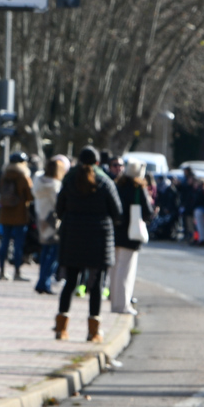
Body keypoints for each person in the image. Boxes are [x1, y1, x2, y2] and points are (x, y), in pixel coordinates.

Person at [54, 146, 121, 342]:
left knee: (70, 282)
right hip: (99, 238)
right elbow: (117, 211)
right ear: (97, 162)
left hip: (73, 236)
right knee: (97, 284)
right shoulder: (105, 182)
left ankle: (61, 328)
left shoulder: (69, 180)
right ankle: (93, 331)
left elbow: (59, 209)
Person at [111, 160, 155, 315]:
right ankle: (123, 305)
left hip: (116, 232)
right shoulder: (138, 189)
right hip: (131, 234)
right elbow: (148, 212)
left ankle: (114, 303)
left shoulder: (117, 186)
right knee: (126, 271)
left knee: (115, 270)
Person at [34, 155, 69, 294]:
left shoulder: (38, 181)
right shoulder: (55, 186)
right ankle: (45, 282)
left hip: (40, 218)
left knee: (44, 253)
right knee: (53, 254)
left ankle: (41, 281)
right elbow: (58, 204)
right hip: (52, 221)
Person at [0, 152, 33, 281]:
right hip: (19, 215)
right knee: (18, 245)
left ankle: (1, 271)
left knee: (4, 243)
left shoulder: (4, 175)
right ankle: (17, 272)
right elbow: (30, 196)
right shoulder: (23, 176)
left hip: (4, 214)